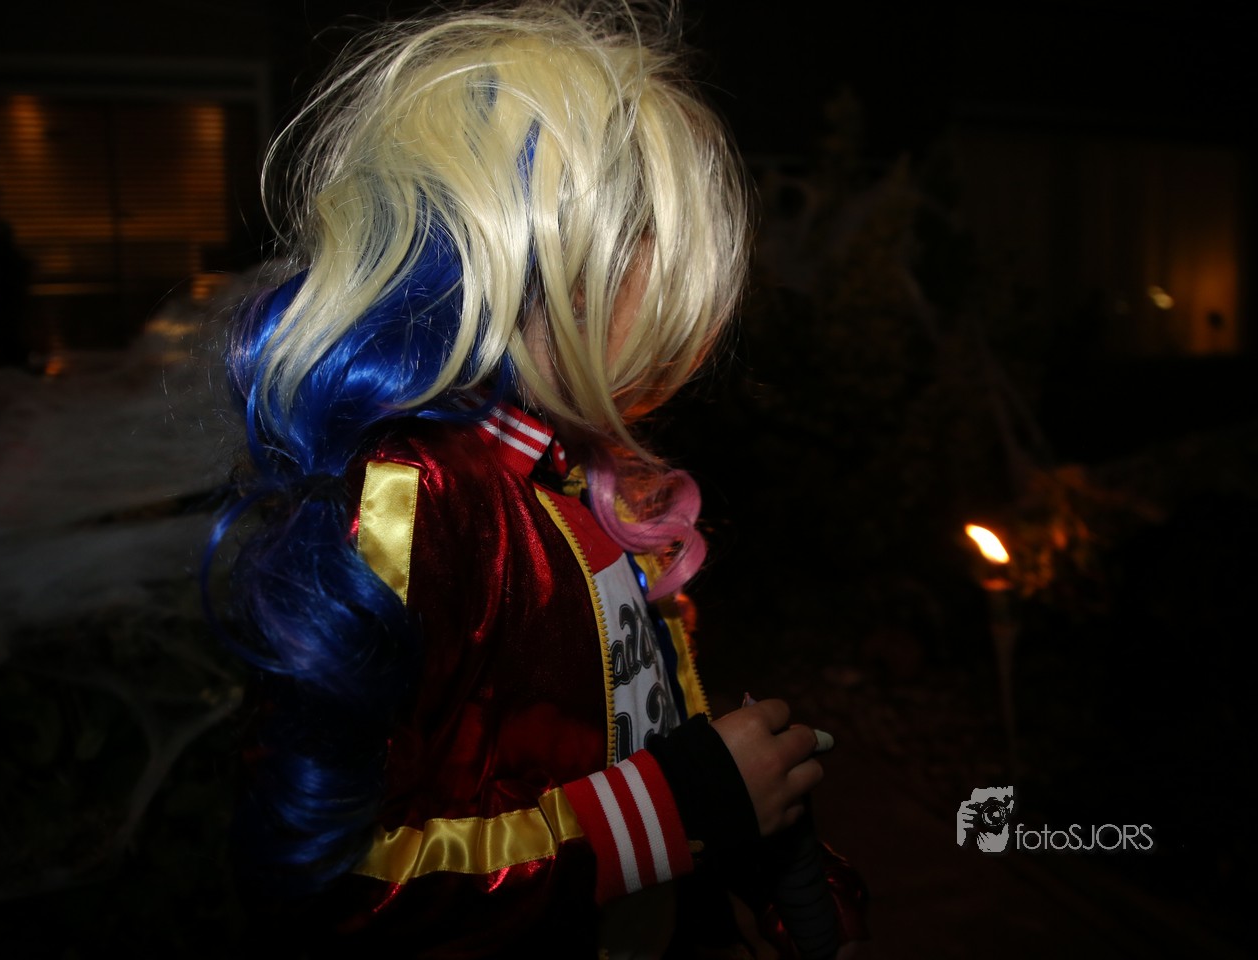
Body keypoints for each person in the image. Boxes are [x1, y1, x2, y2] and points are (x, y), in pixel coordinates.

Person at [215, 2, 866, 955]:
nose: (689, 307)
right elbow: (333, 887)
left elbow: (633, 753)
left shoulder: (600, 487)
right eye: (648, 241)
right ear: (531, 251)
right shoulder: (414, 503)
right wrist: (674, 808)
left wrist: (758, 844)